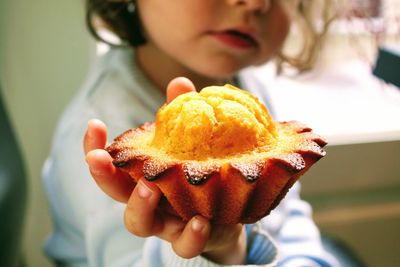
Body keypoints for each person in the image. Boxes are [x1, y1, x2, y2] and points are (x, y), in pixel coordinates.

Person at [43, 0, 340, 266]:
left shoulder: (246, 94)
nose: (255, 3)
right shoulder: (107, 132)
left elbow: (289, 219)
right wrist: (206, 251)